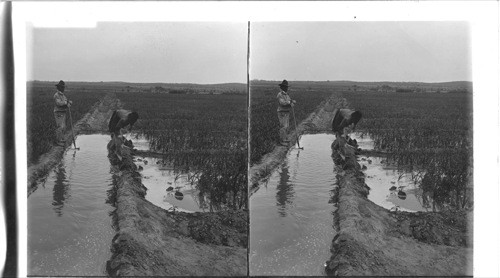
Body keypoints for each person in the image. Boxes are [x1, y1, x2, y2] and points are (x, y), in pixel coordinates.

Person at [276, 80, 296, 146]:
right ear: (283, 87)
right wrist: (289, 102)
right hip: (282, 112)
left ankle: (284, 139)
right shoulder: (280, 95)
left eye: (287, 87)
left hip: (286, 112)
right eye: (286, 87)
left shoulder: (286, 95)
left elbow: (289, 101)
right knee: (283, 126)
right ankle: (281, 141)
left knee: (286, 126)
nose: (287, 88)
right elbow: (282, 103)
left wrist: (292, 102)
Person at [53, 80, 72, 146]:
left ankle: (61, 139)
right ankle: (58, 141)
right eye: (62, 87)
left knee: (63, 126)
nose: (63, 88)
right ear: (59, 88)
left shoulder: (63, 95)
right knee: (60, 126)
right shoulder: (56, 95)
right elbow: (59, 103)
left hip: (63, 112)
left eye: (63, 87)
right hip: (58, 112)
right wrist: (66, 103)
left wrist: (68, 103)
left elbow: (65, 101)